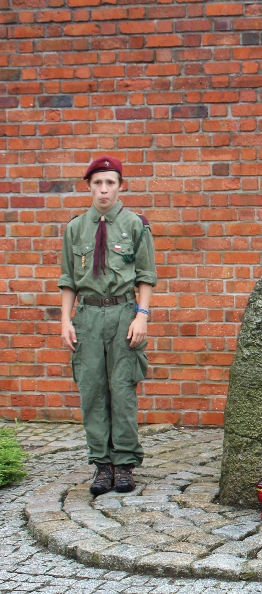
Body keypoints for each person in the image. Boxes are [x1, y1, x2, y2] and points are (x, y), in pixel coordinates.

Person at [58, 156, 157, 496]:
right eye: (98, 183)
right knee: (92, 390)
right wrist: (65, 321)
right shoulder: (75, 228)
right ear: (88, 186)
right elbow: (68, 280)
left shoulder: (134, 224)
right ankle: (102, 465)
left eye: (110, 182)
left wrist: (141, 315)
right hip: (86, 317)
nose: (104, 189)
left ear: (120, 185)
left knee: (122, 389)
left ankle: (125, 464)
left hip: (122, 315)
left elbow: (145, 276)